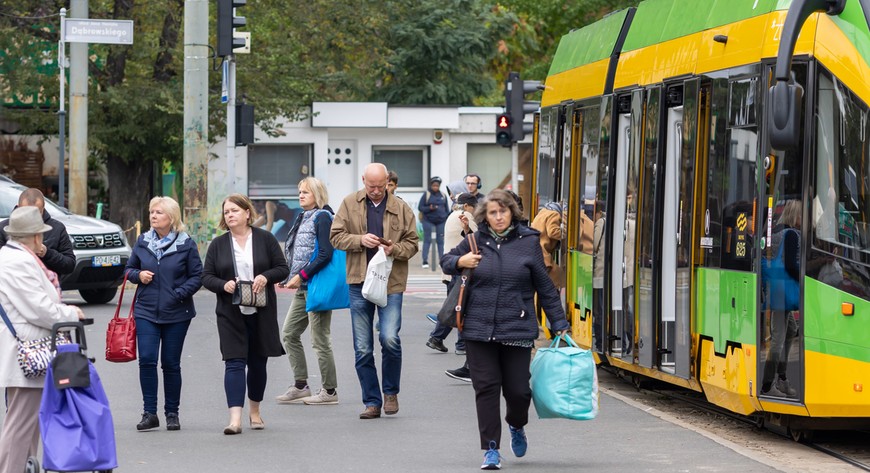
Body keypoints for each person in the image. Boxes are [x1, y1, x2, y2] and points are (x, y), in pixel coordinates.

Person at [441, 189, 569, 469]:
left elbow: (545, 287)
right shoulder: (474, 240)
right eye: (492, 212)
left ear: (513, 212)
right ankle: (490, 449)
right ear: (484, 216)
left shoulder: (529, 241)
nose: (498, 217)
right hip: (478, 328)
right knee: (486, 388)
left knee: (519, 391)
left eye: (503, 211)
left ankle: (517, 424)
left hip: (517, 328)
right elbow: (446, 261)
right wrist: (460, 262)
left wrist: (559, 323)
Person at [330, 163, 418, 419]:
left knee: (389, 337)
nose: (377, 191)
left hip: (391, 282)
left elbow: (412, 243)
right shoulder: (349, 203)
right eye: (371, 186)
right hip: (359, 281)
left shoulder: (401, 207)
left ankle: (390, 391)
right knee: (362, 346)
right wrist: (359, 240)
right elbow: (335, 237)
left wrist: (395, 249)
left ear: (388, 181)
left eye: (381, 186)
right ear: (363, 181)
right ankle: (372, 401)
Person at [0, 206, 84, 472]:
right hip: (27, 351)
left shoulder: (15, 257)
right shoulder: (17, 261)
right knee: (20, 425)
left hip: (27, 350)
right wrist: (70, 312)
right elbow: (38, 308)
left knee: (24, 424)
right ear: (35, 236)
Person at [201, 194, 290, 434]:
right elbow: (206, 276)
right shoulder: (218, 244)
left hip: (262, 311)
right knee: (234, 362)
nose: (229, 215)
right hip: (230, 312)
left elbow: (282, 268)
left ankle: (255, 411)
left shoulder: (265, 239)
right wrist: (224, 285)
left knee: (258, 363)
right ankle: (235, 419)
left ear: (247, 213)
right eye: (226, 212)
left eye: (234, 211)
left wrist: (265, 276)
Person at [124, 196, 202, 431]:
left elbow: (197, 276)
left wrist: (179, 293)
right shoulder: (142, 241)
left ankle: (172, 414)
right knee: (147, 360)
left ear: (172, 217)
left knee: (170, 363)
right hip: (146, 310)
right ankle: (149, 413)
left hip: (177, 312)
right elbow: (129, 269)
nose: (153, 216)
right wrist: (139, 276)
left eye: (159, 212)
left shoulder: (186, 243)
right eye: (151, 212)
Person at [275, 177, 339, 406]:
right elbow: (299, 252)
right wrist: (289, 276)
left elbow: (325, 254)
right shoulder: (303, 216)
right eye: (300, 191)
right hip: (303, 287)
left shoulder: (322, 217)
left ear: (318, 195)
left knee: (320, 339)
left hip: (316, 286)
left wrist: (300, 276)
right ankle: (301, 385)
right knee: (290, 333)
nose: (301, 195)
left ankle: (330, 391)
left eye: (306, 192)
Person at [426, 192, 478, 356]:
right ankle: (459, 344)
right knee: (459, 307)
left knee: (455, 307)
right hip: (460, 269)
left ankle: (438, 338)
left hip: (450, 268)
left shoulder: (452, 215)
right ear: (468, 206)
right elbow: (477, 240)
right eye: (475, 207)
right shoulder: (465, 216)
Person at [761, 199, 801, 398]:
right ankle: (768, 385)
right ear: (796, 216)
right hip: (781, 293)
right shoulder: (792, 234)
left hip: (776, 289)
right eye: (801, 215)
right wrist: (803, 279)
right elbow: (792, 266)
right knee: (777, 339)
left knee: (791, 329)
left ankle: (782, 377)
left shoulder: (775, 231)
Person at [0, 188, 75, 276]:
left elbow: (70, 265)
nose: (31, 217)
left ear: (43, 208)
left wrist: (47, 253)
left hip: (47, 286)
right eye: (26, 212)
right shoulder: (3, 228)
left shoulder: (57, 228)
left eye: (36, 212)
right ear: (18, 207)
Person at [418, 176, 450, 268]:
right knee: (427, 240)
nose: (435, 187)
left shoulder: (443, 195)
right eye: (434, 185)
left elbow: (447, 209)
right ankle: (425, 261)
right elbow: (421, 207)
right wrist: (429, 208)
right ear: (431, 185)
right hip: (428, 221)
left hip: (441, 221)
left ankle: (442, 260)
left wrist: (446, 218)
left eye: (437, 185)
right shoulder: (426, 195)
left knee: (441, 241)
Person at [530, 201, 563, 287]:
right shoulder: (555, 214)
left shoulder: (543, 211)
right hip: (543, 254)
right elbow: (553, 232)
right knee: (560, 278)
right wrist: (566, 235)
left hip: (535, 250)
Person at [592, 203, 606, 352]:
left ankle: (600, 341)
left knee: (599, 309)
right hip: (617, 277)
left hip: (600, 273)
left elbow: (594, 245)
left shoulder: (601, 223)